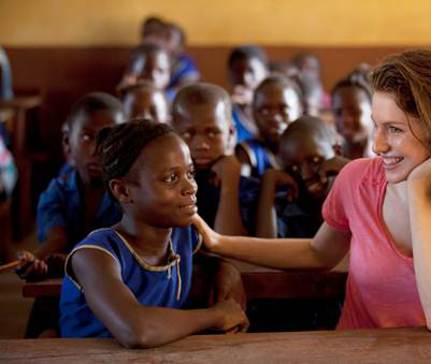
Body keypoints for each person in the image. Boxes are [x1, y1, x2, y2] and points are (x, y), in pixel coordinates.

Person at [192, 49, 431, 331]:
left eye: (394, 129)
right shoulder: (358, 180)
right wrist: (219, 242)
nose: (377, 146)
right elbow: (317, 253)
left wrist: (419, 194)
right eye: (376, 126)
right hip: (354, 353)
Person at [59, 121, 248, 348]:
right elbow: (137, 331)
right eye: (171, 178)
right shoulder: (95, 256)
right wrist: (216, 315)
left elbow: (212, 256)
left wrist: (226, 268)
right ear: (123, 190)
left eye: (190, 173)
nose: (191, 187)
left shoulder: (182, 236)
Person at [17, 92, 125, 281]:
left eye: (107, 138)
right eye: (86, 137)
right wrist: (35, 259)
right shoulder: (56, 193)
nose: (97, 150)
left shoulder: (131, 194)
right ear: (67, 142)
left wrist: (68, 262)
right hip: (65, 285)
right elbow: (57, 239)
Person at [171, 83, 259, 235]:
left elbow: (231, 249)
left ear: (230, 132)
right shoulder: (164, 185)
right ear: (173, 132)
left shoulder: (248, 189)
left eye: (212, 133)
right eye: (188, 133)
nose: (201, 145)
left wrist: (229, 183)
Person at [256, 116, 348, 238]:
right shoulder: (288, 206)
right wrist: (268, 184)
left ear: (337, 152)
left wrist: (352, 170)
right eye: (294, 168)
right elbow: (265, 252)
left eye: (315, 161)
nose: (305, 175)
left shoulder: (354, 195)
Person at [236, 74, 303, 178]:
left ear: (299, 110)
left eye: (284, 109)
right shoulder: (248, 153)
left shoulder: (307, 152)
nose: (274, 118)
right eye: (265, 111)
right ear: (253, 113)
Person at [227, 45, 269, 142]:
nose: (245, 79)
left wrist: (253, 106)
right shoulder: (226, 112)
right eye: (237, 72)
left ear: (265, 73)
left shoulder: (274, 110)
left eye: (251, 71)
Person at [331, 77, 373, 159]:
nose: (345, 120)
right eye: (338, 113)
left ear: (373, 112)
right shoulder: (330, 158)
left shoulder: (386, 159)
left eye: (354, 112)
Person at [164, 22, 200, 100]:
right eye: (161, 36)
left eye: (168, 37)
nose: (163, 40)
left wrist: (164, 96)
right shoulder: (154, 61)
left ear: (179, 43)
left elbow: (185, 88)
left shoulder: (186, 62)